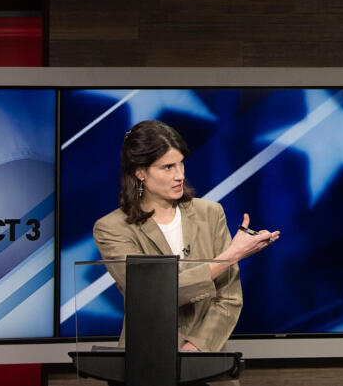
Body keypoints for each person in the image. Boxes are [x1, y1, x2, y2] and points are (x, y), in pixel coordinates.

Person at [93, 120, 280, 353]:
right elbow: (152, 296)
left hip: (208, 361)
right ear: (140, 172)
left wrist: (195, 349)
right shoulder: (112, 228)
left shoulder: (210, 213)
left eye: (181, 164)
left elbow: (229, 298)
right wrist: (231, 255)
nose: (180, 175)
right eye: (168, 167)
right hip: (148, 361)